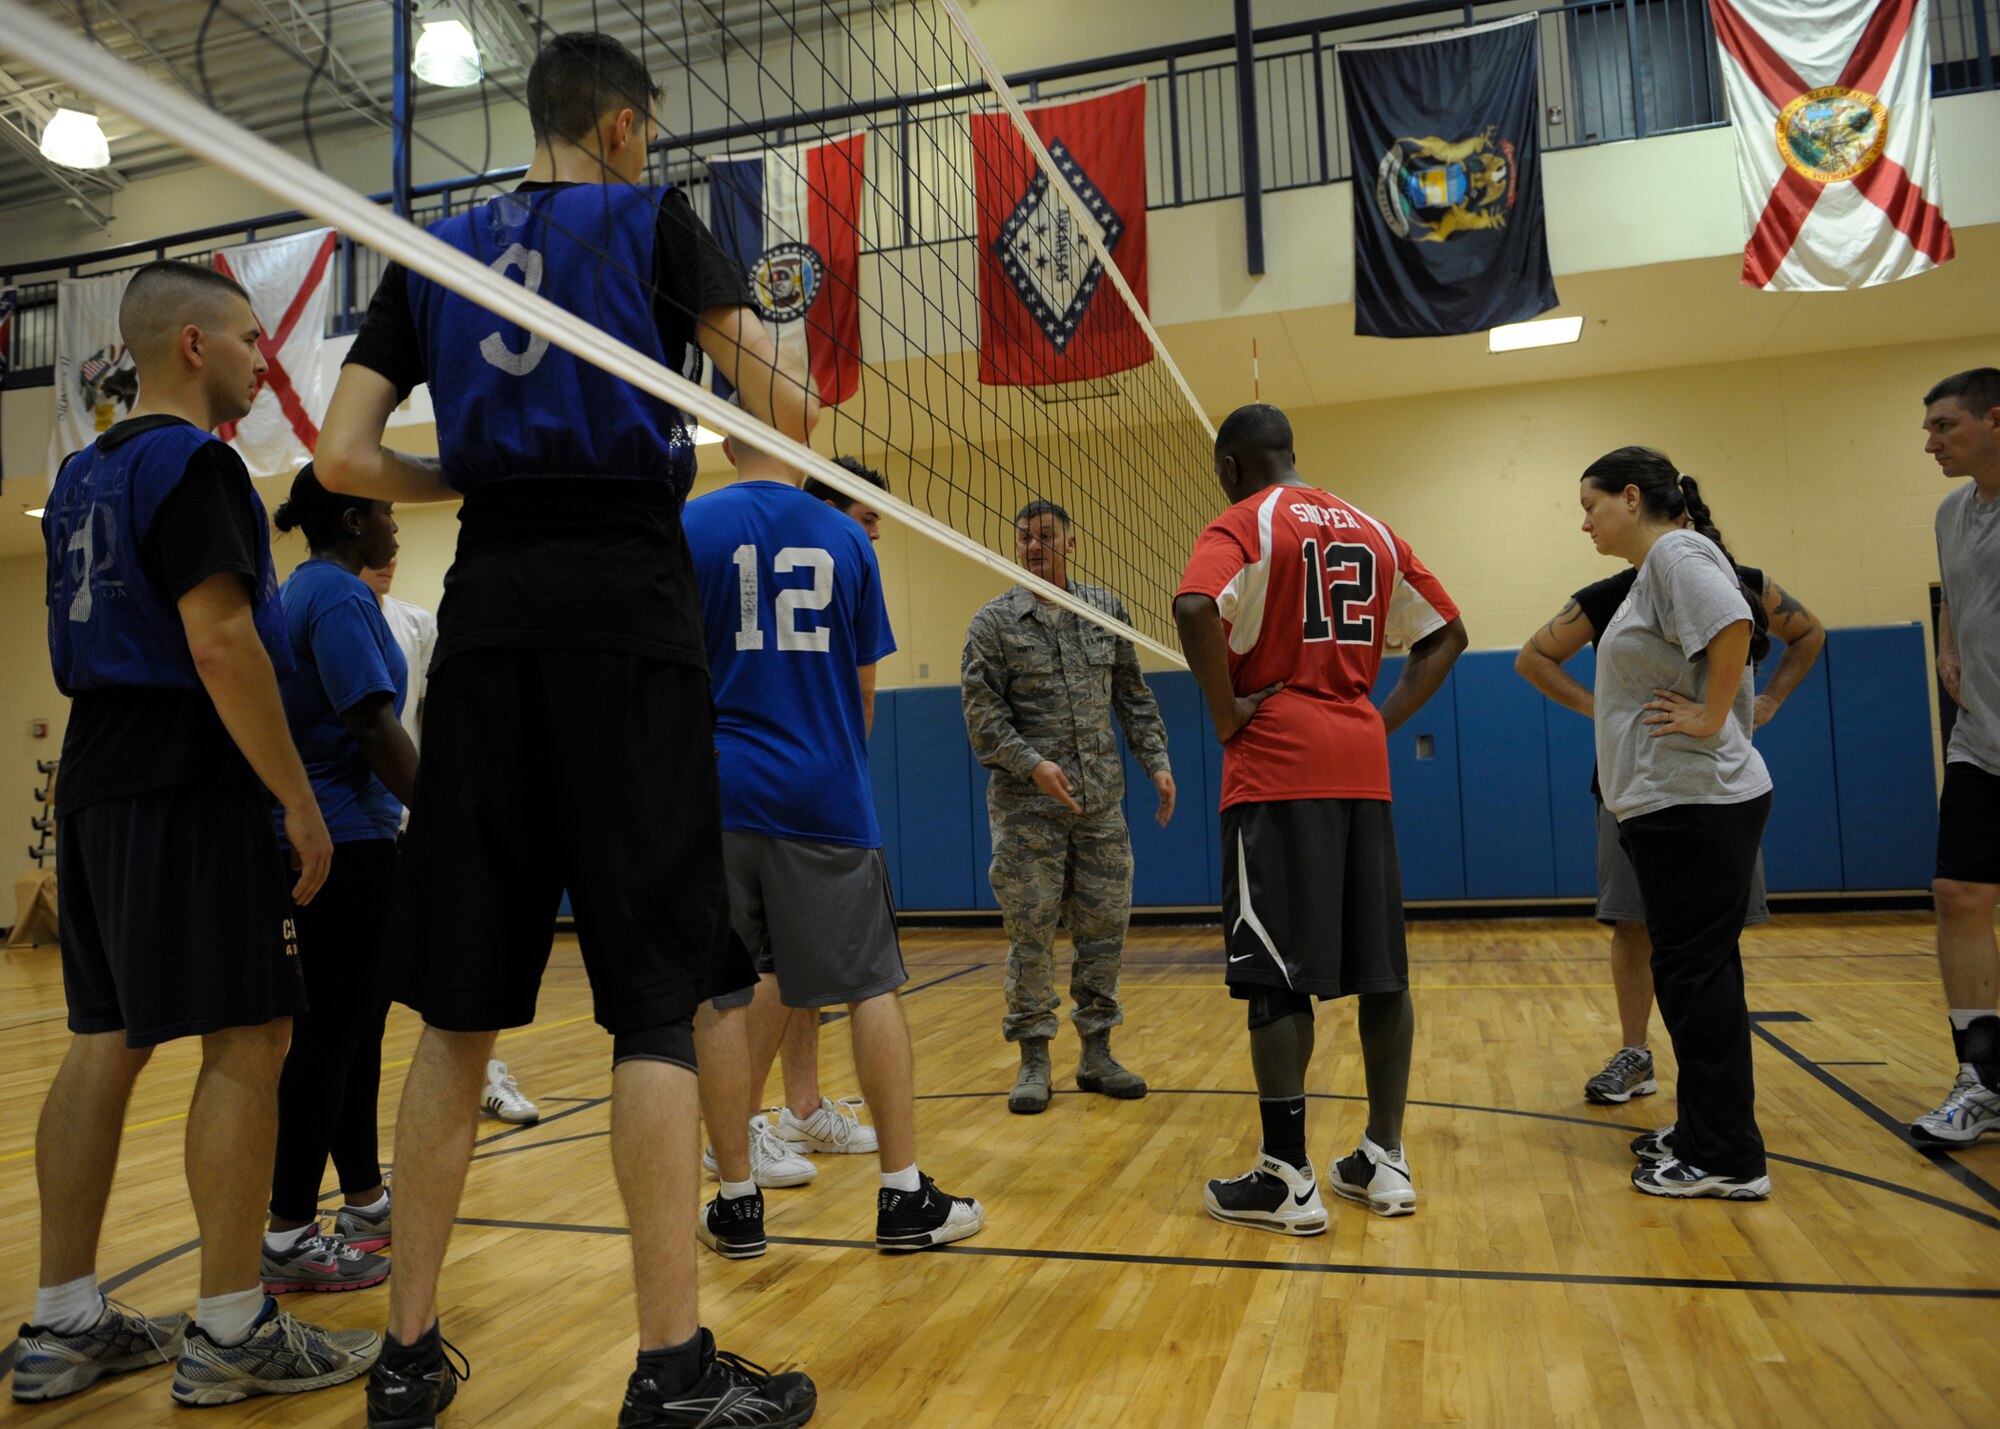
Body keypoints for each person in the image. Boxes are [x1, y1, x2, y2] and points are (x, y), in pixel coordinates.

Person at [316, 30, 817, 1428]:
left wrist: (470, 465)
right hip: (627, 618)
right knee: (652, 1001)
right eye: (645, 129)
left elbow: (343, 461)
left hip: (487, 624)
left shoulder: (440, 248)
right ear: (614, 126)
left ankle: (406, 1357)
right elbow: (792, 416)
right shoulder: (654, 221)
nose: (649, 149)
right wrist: (711, 428)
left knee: (456, 1012)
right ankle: (669, 1367)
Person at [14, 260, 378, 1408]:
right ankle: (229, 1329)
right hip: (186, 776)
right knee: (249, 1035)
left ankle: (61, 1320)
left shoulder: (81, 471)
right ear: (190, 346)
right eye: (249, 340)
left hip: (96, 775)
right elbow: (221, 645)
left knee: (105, 1037)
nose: (264, 359)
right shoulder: (200, 463)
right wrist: (302, 802)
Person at [685, 442, 983, 1258]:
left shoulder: (688, 524)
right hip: (822, 792)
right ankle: (902, 1194)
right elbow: (860, 691)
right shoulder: (845, 537)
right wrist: (838, 775)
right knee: (871, 986)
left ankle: (737, 1202)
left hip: (717, 792)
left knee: (720, 994)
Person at [1174, 403, 1464, 1234]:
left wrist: (1227, 717)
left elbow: (1196, 607)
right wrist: (1377, 716)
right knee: (1381, 970)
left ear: (1231, 465)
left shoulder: (1244, 519)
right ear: (1291, 453)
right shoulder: (1372, 528)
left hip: (1275, 770)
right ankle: (1384, 1156)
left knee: (1272, 970)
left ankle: (1287, 1175)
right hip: (1360, 770)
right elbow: (1447, 632)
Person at [1516, 537, 1824, 1105]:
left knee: (1710, 942)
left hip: (1715, 791)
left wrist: (1771, 699)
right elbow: (1532, 657)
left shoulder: (1736, 580)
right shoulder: (1616, 595)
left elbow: (1808, 632)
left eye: (1594, 504)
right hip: (1635, 791)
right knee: (1633, 923)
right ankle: (1638, 1055)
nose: (1585, 523)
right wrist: (1602, 706)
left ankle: (1712, 1096)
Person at [1577, 446, 1774, 1200]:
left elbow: (1733, 620)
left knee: (1696, 978)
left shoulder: (1677, 552)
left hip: (1697, 802)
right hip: (1672, 805)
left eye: (1591, 505)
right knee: (1693, 975)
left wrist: (1712, 712)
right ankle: (1703, 1129)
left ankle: (1726, 1157)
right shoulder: (1652, 573)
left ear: (1632, 497)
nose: (1586, 522)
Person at [962, 498, 1175, 1114]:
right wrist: (1033, 764)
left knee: (1104, 930)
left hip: (1101, 805)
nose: (1033, 546)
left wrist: (1156, 761)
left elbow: (1133, 696)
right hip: (1028, 811)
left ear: (1071, 542)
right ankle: (1033, 1059)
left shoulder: (1104, 610)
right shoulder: (994, 623)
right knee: (1030, 934)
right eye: (1024, 536)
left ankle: (1098, 1053)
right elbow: (982, 717)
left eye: (1045, 536)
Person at [261, 466, 415, 1291]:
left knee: (354, 1032)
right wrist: (444, 814)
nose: (396, 524)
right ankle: (288, 1233)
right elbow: (370, 722)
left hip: (334, 841)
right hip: (346, 844)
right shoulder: (339, 596)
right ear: (355, 520)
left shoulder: (302, 589)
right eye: (387, 510)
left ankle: (363, 1199)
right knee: (330, 1040)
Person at [738, 456, 889, 1167]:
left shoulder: (727, 538)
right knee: (774, 967)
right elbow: (861, 696)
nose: (872, 537)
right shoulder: (833, 552)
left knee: (803, 967)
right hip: (805, 798)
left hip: (754, 789)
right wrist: (845, 776)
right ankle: (735, 1124)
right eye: (864, 519)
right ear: (826, 508)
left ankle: (801, 1104)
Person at [362, 556, 541, 1128]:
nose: (392, 550)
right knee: (361, 993)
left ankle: (484, 1072)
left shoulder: (417, 624)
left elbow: (435, 717)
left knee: (451, 971)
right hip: (356, 826)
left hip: (416, 820)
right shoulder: (327, 607)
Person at [1916, 367, 2000, 1144]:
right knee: (1958, 892)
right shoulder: (1950, 512)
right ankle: (1984, 1078)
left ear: (1996, 420)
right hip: (1980, 738)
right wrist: (1947, 644)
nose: (1931, 441)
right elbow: (1954, 590)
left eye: (1945, 425)